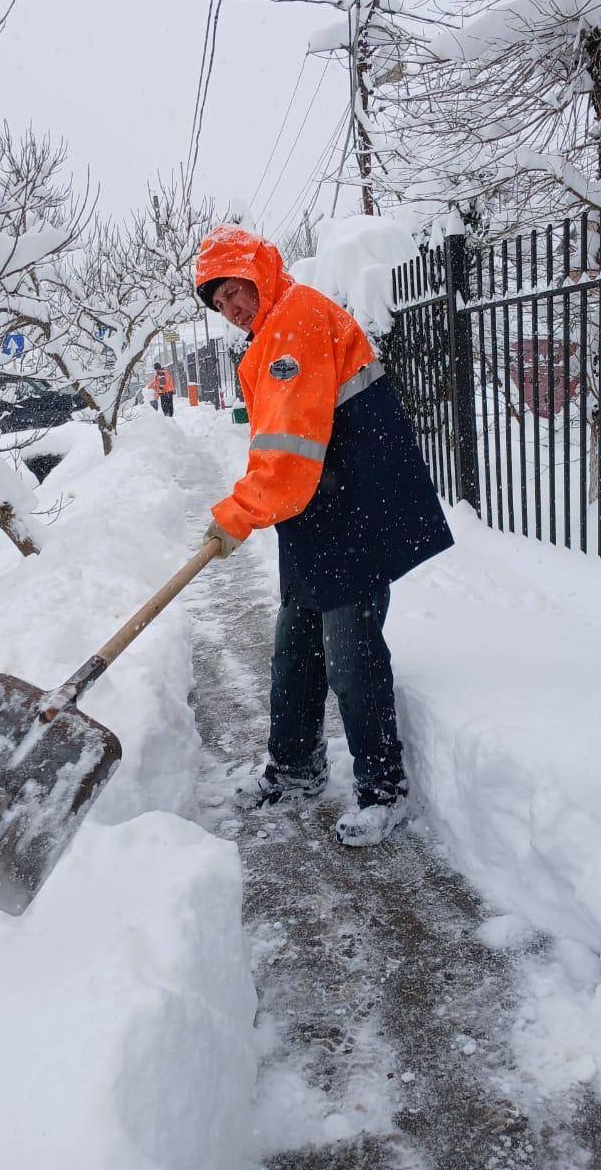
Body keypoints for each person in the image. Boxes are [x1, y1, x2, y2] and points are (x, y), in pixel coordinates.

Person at [195, 225, 453, 847]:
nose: (233, 308)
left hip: (354, 505)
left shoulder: (295, 321)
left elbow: (287, 450)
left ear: (261, 273)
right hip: (321, 509)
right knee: (294, 650)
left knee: (350, 654)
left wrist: (239, 513)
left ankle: (382, 791)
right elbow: (287, 447)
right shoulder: (274, 329)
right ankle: (295, 770)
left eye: (237, 290)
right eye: (221, 303)